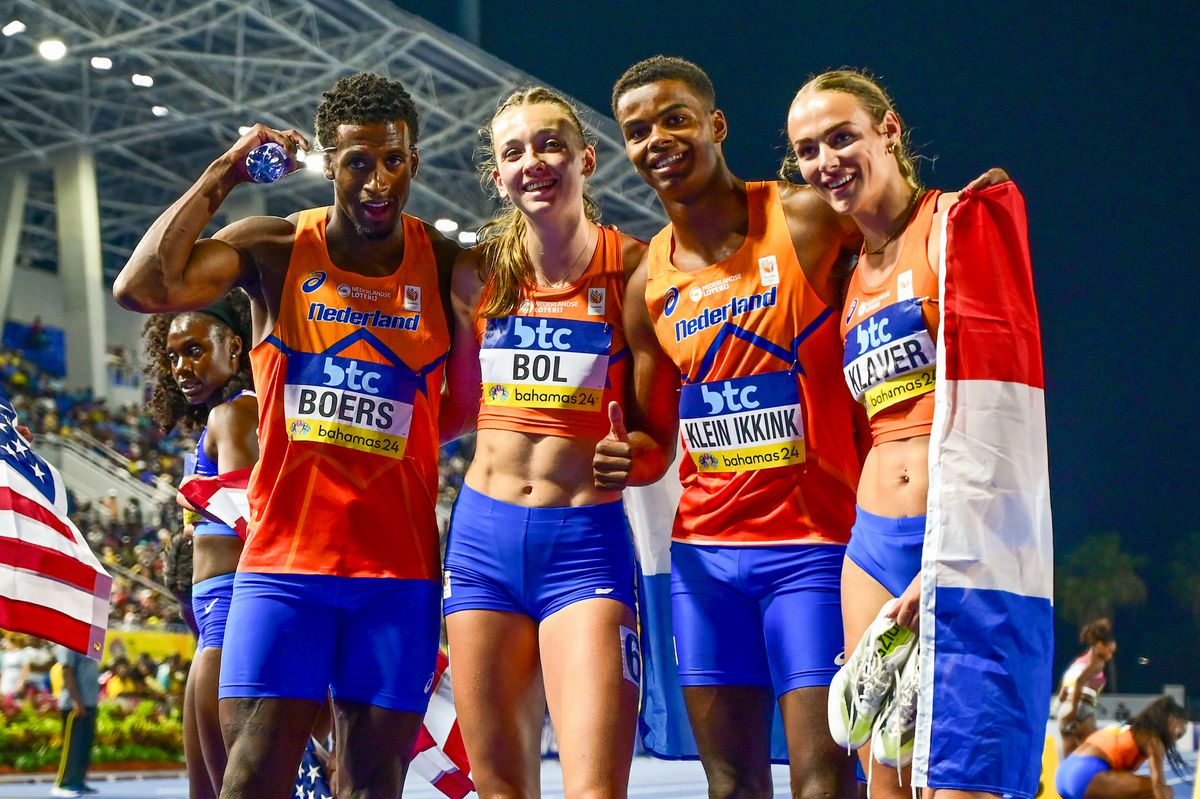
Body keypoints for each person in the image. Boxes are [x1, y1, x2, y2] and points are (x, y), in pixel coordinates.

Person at [113, 72, 459, 799]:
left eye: (393, 160)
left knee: (370, 787)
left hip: (398, 580)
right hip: (284, 572)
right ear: (329, 164)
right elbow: (143, 286)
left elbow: (468, 399)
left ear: (414, 162)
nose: (377, 181)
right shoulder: (273, 250)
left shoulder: (447, 264)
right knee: (248, 784)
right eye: (358, 161)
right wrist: (227, 171)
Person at [602, 56, 866, 799]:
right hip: (706, 564)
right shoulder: (647, 282)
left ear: (715, 125)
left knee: (824, 778)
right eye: (638, 129)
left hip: (813, 551)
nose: (658, 137)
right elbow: (657, 442)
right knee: (730, 783)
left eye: (675, 117)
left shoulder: (808, 219)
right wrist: (631, 455)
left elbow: (896, 230)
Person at [785, 69, 1046, 799]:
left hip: (960, 543)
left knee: (962, 779)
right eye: (808, 150)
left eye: (842, 137)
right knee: (885, 782)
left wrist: (950, 563)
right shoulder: (848, 276)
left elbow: (1000, 413)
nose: (825, 161)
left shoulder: (957, 224)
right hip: (870, 547)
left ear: (889, 130)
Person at [440, 85, 671, 799]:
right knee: (502, 788)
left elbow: (657, 437)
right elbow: (444, 407)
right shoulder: (475, 274)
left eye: (549, 145)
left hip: (584, 548)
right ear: (497, 174)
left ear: (586, 158)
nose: (533, 161)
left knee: (595, 789)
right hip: (482, 544)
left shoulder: (635, 270)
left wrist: (633, 454)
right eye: (514, 152)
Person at [142, 290, 257, 799]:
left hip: (232, 622)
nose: (181, 367)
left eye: (194, 350)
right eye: (172, 356)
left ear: (234, 346)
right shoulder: (225, 418)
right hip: (213, 622)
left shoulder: (233, 415)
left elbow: (250, 517)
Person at [1055, 696, 1188, 799]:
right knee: (1165, 790)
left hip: (1063, 777)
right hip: (1085, 777)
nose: (1180, 735)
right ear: (1170, 720)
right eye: (1181, 727)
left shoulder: (1129, 728)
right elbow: (1158, 786)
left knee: (1127, 786)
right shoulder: (1153, 740)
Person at [1057, 619, 1118, 756]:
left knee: (1069, 758)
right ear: (1099, 644)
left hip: (1063, 709)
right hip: (1081, 708)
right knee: (1098, 753)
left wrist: (1064, 709)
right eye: (1110, 651)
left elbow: (1062, 691)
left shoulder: (1078, 661)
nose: (1110, 656)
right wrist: (1073, 711)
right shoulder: (1098, 662)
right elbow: (1079, 681)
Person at [52, 644, 100, 798]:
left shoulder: (90, 640)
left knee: (83, 746)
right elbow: (67, 671)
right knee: (72, 747)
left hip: (90, 702)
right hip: (75, 704)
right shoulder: (67, 641)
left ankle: (78, 781)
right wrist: (76, 701)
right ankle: (63, 783)